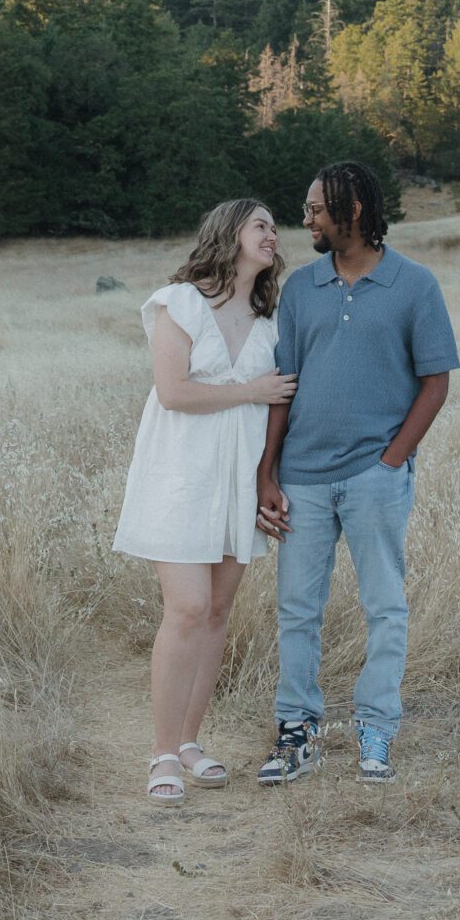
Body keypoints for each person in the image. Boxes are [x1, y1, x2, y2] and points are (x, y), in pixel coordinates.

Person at [253, 160, 459, 786]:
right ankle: (298, 731)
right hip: (303, 478)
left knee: (384, 607)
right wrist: (268, 472)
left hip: (374, 476)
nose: (306, 219)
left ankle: (376, 727)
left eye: (316, 209)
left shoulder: (414, 285)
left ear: (354, 212)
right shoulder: (301, 289)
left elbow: (436, 381)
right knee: (297, 610)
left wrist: (392, 459)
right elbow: (283, 387)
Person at [112, 198, 297, 805]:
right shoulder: (182, 302)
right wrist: (252, 389)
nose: (273, 235)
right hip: (181, 475)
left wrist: (269, 479)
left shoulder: (270, 322)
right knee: (187, 608)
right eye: (260, 225)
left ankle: (191, 742)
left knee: (218, 613)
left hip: (238, 479)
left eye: (275, 227)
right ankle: (163, 753)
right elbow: (173, 391)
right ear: (229, 232)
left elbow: (279, 406)